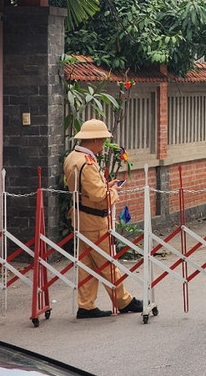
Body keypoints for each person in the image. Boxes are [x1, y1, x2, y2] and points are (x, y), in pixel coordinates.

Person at [63, 119, 144, 319]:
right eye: (103, 140)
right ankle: (123, 301)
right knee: (107, 263)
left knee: (87, 263)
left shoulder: (72, 157)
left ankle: (86, 304)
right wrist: (113, 191)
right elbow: (99, 196)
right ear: (96, 139)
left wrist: (106, 186)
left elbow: (86, 190)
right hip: (94, 220)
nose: (103, 144)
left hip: (81, 217)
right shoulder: (87, 163)